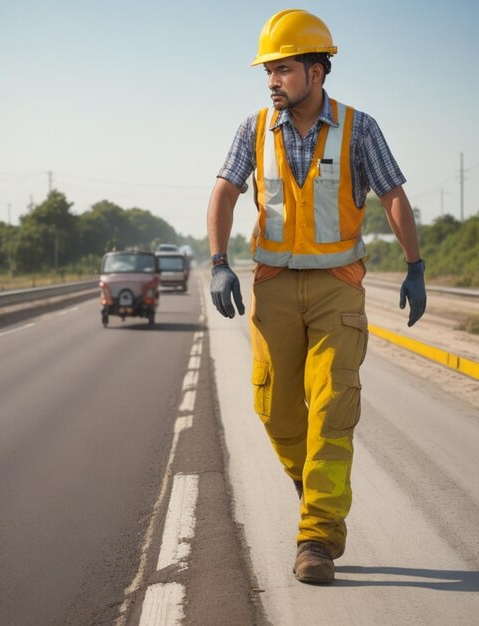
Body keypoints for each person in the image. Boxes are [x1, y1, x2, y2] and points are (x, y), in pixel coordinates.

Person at [207, 8, 426, 584]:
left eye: (282, 69)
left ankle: (317, 539)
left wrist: (416, 265)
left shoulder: (360, 128)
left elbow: (394, 195)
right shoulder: (253, 129)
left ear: (316, 70)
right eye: (268, 72)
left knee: (332, 409)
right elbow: (226, 191)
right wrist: (218, 262)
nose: (272, 80)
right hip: (274, 288)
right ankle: (314, 487)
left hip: (338, 290)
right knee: (275, 409)